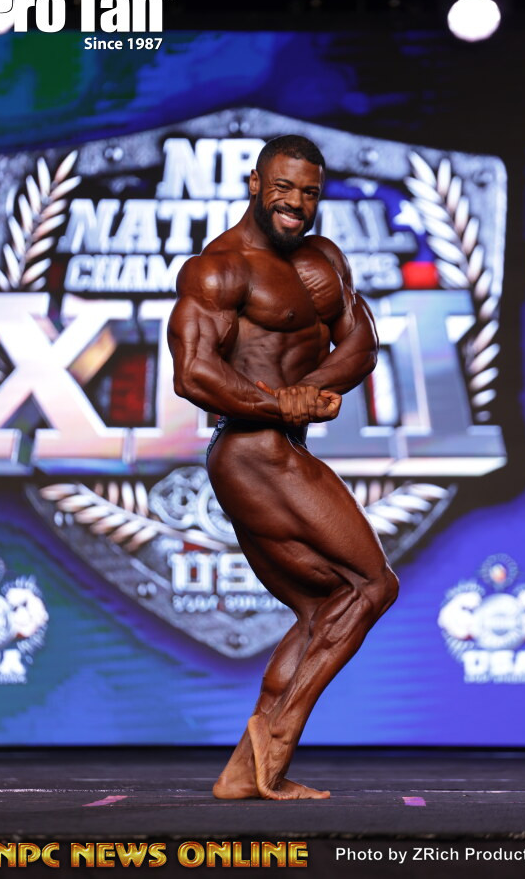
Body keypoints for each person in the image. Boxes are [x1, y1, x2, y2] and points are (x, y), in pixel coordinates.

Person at [168, 135, 398, 800]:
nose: (296, 203)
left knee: (323, 606)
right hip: (250, 450)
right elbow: (193, 373)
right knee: (371, 585)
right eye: (284, 188)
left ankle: (244, 771)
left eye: (309, 192)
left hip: (284, 444)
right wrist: (277, 404)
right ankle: (278, 736)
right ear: (255, 183)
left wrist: (311, 390)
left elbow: (361, 343)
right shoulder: (218, 270)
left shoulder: (325, 259)